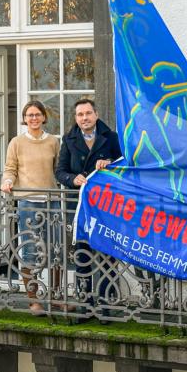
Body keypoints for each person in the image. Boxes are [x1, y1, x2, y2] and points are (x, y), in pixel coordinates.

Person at [55, 98, 122, 309]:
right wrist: (72, 179)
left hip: (106, 206)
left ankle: (105, 305)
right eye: (80, 115)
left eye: (88, 113)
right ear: (76, 118)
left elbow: (125, 167)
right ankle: (85, 304)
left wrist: (110, 165)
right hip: (79, 205)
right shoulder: (68, 139)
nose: (84, 118)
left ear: (96, 115)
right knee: (82, 253)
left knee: (106, 254)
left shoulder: (111, 138)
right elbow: (60, 172)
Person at [1, 100, 60, 316]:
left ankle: (55, 297)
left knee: (56, 250)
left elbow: (58, 170)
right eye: (29, 115)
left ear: (44, 117)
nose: (33, 118)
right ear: (24, 119)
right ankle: (33, 301)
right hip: (27, 202)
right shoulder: (16, 142)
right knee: (29, 251)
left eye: (37, 115)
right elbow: (10, 169)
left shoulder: (53, 141)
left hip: (52, 201)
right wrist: (7, 181)